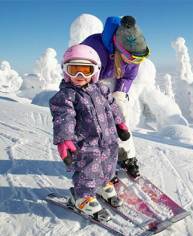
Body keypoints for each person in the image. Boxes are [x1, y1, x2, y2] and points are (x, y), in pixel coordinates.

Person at [49, 44, 131, 220]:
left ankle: (102, 185)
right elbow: (64, 117)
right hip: (86, 144)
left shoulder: (101, 89)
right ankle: (82, 196)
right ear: (65, 71)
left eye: (85, 70)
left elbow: (113, 106)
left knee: (109, 164)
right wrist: (65, 140)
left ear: (95, 71)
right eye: (74, 70)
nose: (79, 76)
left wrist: (120, 124)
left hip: (109, 139)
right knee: (88, 170)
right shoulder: (66, 96)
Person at [81, 15, 150, 178]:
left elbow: (128, 76)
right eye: (133, 58)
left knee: (120, 117)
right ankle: (98, 159)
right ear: (120, 49)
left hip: (113, 79)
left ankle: (127, 157)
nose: (136, 61)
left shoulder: (134, 53)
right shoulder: (94, 48)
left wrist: (120, 93)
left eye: (140, 58)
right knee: (96, 121)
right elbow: (80, 72)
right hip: (90, 80)